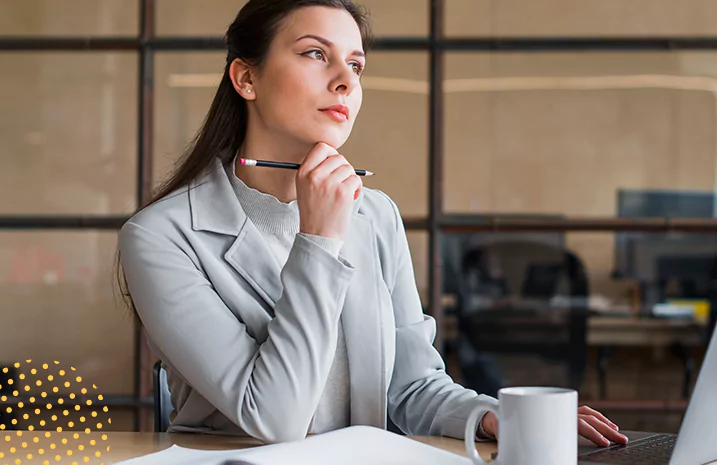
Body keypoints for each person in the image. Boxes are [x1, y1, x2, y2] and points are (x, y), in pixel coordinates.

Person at [116, 0, 628, 446]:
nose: (345, 80)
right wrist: (317, 238)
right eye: (316, 54)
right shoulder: (160, 237)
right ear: (246, 78)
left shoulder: (374, 214)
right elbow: (272, 416)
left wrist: (491, 416)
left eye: (356, 65)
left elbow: (413, 387)